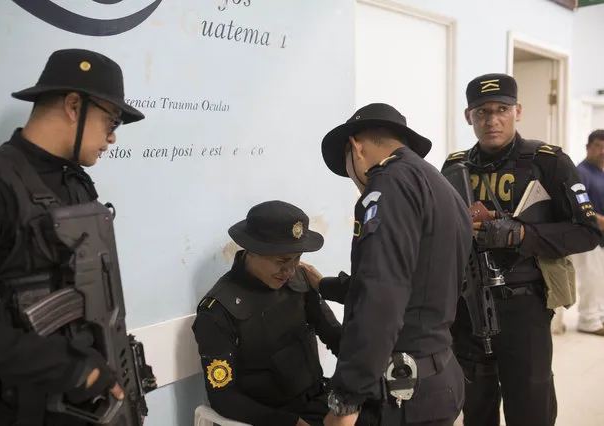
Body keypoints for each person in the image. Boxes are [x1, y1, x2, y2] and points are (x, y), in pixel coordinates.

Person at [0, 48, 145, 425]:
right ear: (74, 106)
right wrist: (70, 368)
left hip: (87, 408)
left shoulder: (77, 183)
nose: (112, 138)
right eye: (110, 121)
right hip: (21, 413)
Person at [440, 73, 601, 426]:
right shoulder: (455, 167)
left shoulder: (548, 162)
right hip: (467, 305)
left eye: (501, 110)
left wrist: (520, 235)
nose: (492, 120)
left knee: (530, 403)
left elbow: (587, 233)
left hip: (525, 304)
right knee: (476, 405)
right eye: (482, 112)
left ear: (518, 111)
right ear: (469, 116)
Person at [300, 103, 473, 426]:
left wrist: (346, 400)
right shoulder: (439, 186)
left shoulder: (388, 186)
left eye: (348, 168)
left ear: (356, 147)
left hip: (401, 393)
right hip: (439, 374)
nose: (356, 182)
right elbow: (416, 279)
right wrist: (325, 285)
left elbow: (380, 295)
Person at [191, 200, 342, 426]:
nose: (290, 271)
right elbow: (223, 397)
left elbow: (333, 334)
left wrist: (363, 375)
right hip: (274, 417)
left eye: (297, 259)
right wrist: (289, 422)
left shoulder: (301, 280)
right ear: (252, 252)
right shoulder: (218, 311)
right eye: (281, 261)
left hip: (320, 400)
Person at [572, 129, 604, 335]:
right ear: (588, 147)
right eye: (598, 146)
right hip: (587, 235)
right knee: (591, 279)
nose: (603, 151)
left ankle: (599, 316)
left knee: (600, 279)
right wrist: (600, 220)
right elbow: (582, 205)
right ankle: (588, 321)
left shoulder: (601, 172)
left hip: (600, 237)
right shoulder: (580, 173)